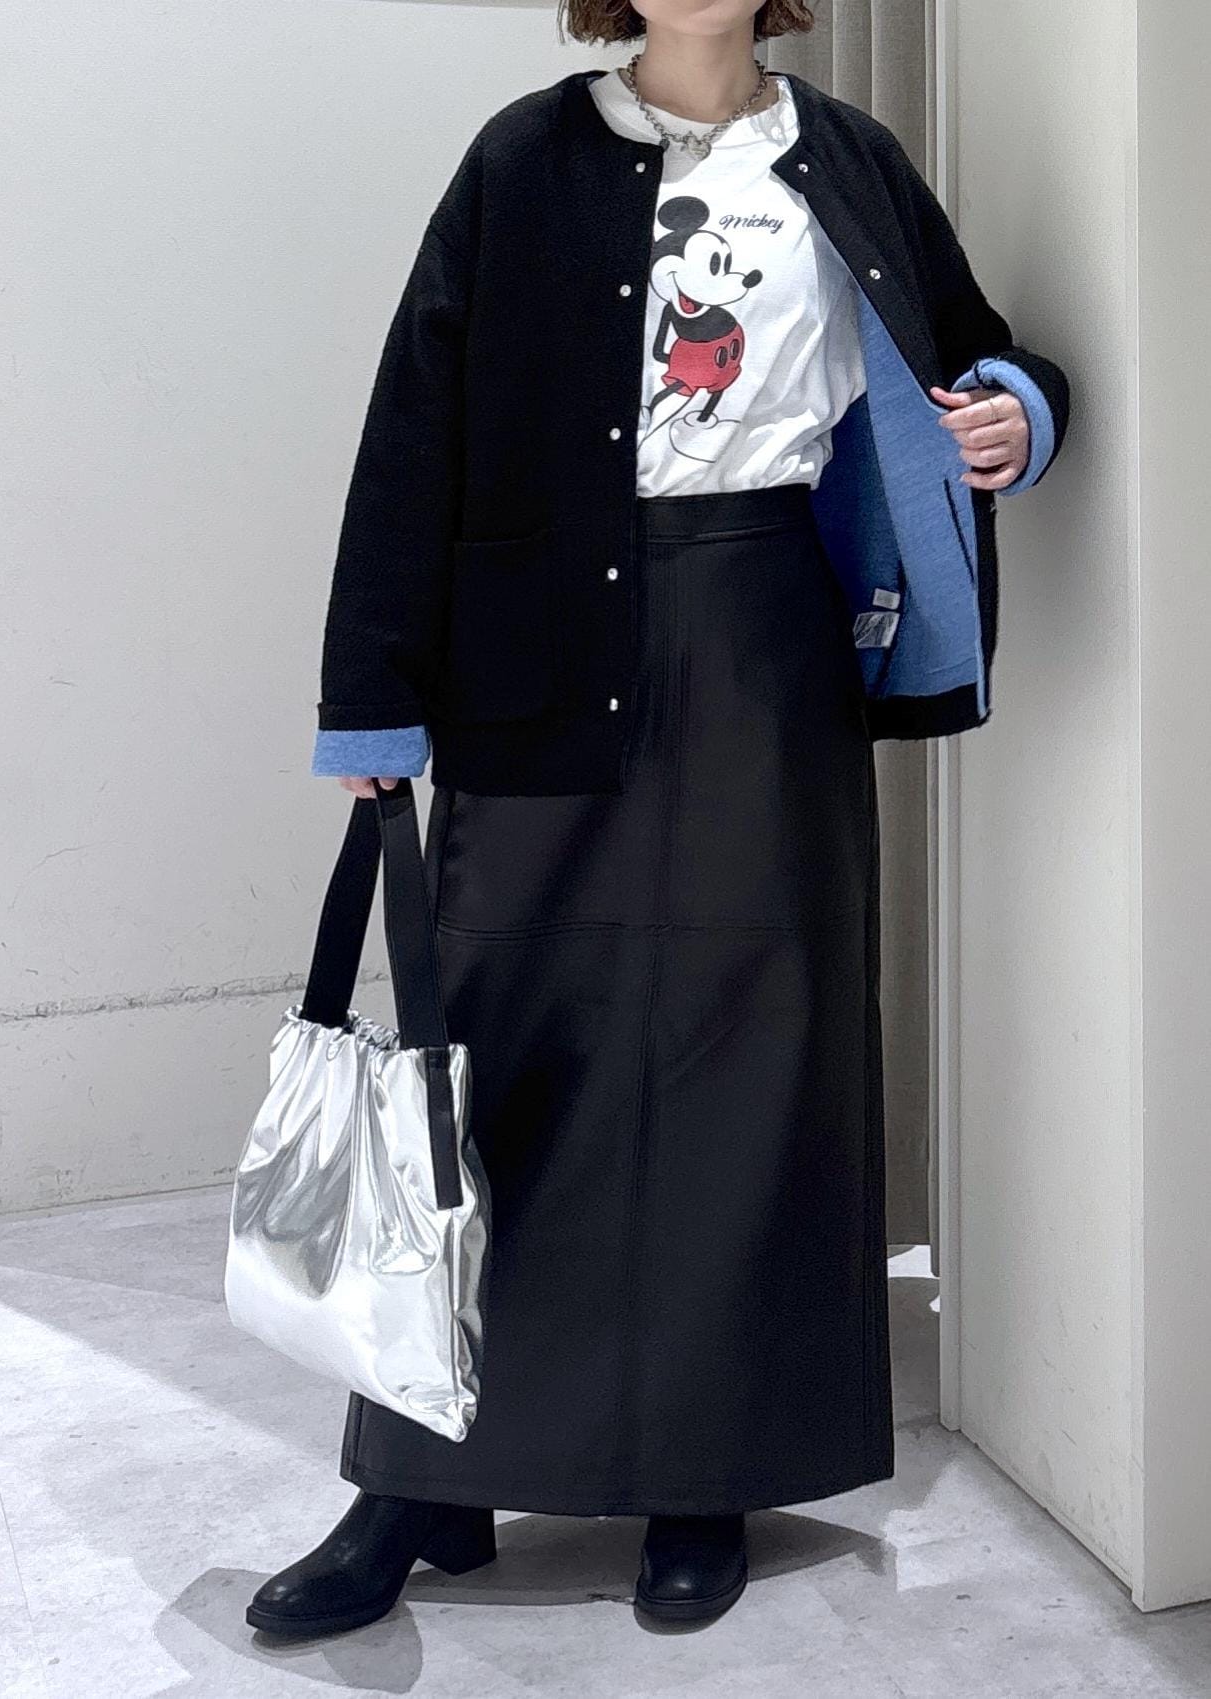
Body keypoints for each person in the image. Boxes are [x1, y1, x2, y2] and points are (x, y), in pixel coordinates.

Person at [247, 0, 1069, 1638]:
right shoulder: (524, 157)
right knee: (497, 1052)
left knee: (748, 1054)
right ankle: (421, 1483)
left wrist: (1012, 413)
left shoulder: (845, 155)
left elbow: (973, 349)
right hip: (540, 644)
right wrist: (371, 696)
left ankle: (706, 1475)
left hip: (766, 632)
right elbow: (416, 422)